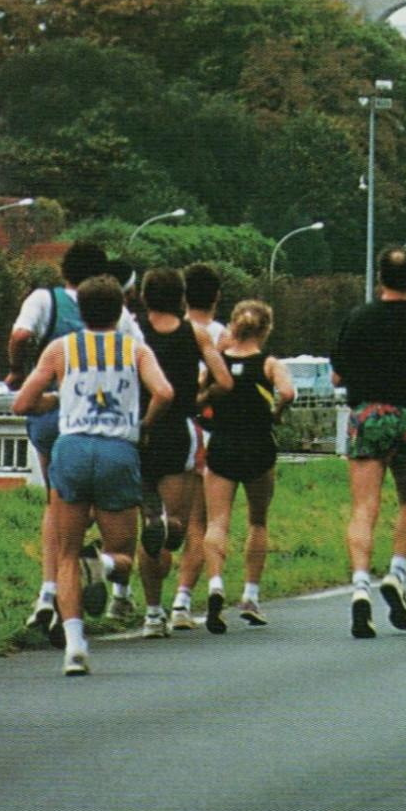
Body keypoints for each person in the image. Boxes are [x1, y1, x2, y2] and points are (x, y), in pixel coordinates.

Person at [12, 275, 173, 675]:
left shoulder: (60, 349)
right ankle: (100, 563)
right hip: (118, 450)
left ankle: (75, 647)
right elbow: (165, 393)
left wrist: (60, 398)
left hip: (71, 449)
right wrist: (145, 425)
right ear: (120, 311)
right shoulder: (135, 349)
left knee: (65, 555)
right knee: (123, 555)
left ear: (79, 311)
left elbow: (22, 403)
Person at [332, 247, 406, 637]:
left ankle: (360, 588)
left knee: (364, 507)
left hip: (366, 416)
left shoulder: (358, 318)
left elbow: (336, 376)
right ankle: (397, 573)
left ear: (380, 277)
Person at [7, 241, 121, 637]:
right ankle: (83, 573)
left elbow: (21, 335)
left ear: (63, 271)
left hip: (49, 412)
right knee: (88, 502)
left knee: (56, 501)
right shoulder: (114, 311)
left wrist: (16, 373)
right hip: (99, 415)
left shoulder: (44, 299)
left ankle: (48, 590)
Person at [135, 268, 231, 638]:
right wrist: (199, 398)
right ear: (181, 298)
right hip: (179, 430)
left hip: (141, 430)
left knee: (148, 528)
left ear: (144, 299)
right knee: (179, 522)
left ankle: (153, 614)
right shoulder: (196, 332)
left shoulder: (134, 331)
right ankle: (168, 527)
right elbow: (224, 381)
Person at [200, 300, 295, 632]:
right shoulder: (269, 364)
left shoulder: (218, 364)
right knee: (258, 519)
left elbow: (201, 394)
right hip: (258, 445)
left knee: (217, 522)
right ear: (266, 329)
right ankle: (251, 595)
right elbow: (288, 391)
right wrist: (276, 414)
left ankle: (215, 585)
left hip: (223, 444)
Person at [170, 263, 227, 628]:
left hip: (165, 427)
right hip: (205, 429)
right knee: (199, 521)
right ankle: (182, 601)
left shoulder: (167, 332)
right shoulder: (221, 335)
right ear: (217, 298)